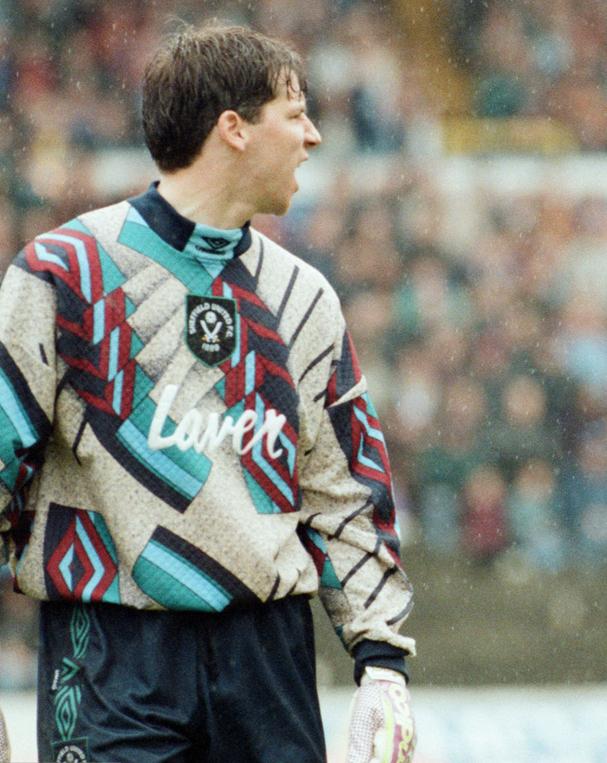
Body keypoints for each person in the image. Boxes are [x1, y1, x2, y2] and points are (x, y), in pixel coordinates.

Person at [0, 23, 416, 763]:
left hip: (268, 659)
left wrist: (382, 661)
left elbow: (344, 489)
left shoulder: (303, 296)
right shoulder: (64, 274)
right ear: (234, 129)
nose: (313, 136)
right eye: (296, 114)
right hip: (110, 654)